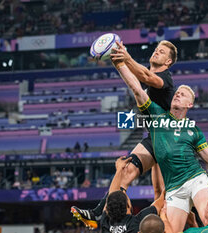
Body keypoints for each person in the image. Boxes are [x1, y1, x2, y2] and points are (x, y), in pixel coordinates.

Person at [111, 58, 208, 232]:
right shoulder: (157, 115)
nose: (177, 94)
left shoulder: (193, 129)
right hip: (173, 189)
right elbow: (137, 89)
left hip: (196, 179)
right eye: (177, 92)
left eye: (183, 94)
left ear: (189, 104)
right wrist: (120, 64)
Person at [71, 40, 177, 225]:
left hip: (170, 141)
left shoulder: (165, 78)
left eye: (161, 52)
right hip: (153, 138)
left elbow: (144, 76)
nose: (156, 52)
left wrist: (126, 59)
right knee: (125, 171)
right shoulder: (147, 77)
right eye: (156, 50)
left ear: (168, 62)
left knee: (164, 195)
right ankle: (98, 213)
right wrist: (121, 60)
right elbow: (136, 78)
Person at [71, 157, 165, 232]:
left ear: (107, 208)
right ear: (128, 205)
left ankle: (94, 214)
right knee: (158, 196)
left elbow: (112, 194)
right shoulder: (107, 223)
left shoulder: (107, 222)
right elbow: (162, 198)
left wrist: (119, 170)